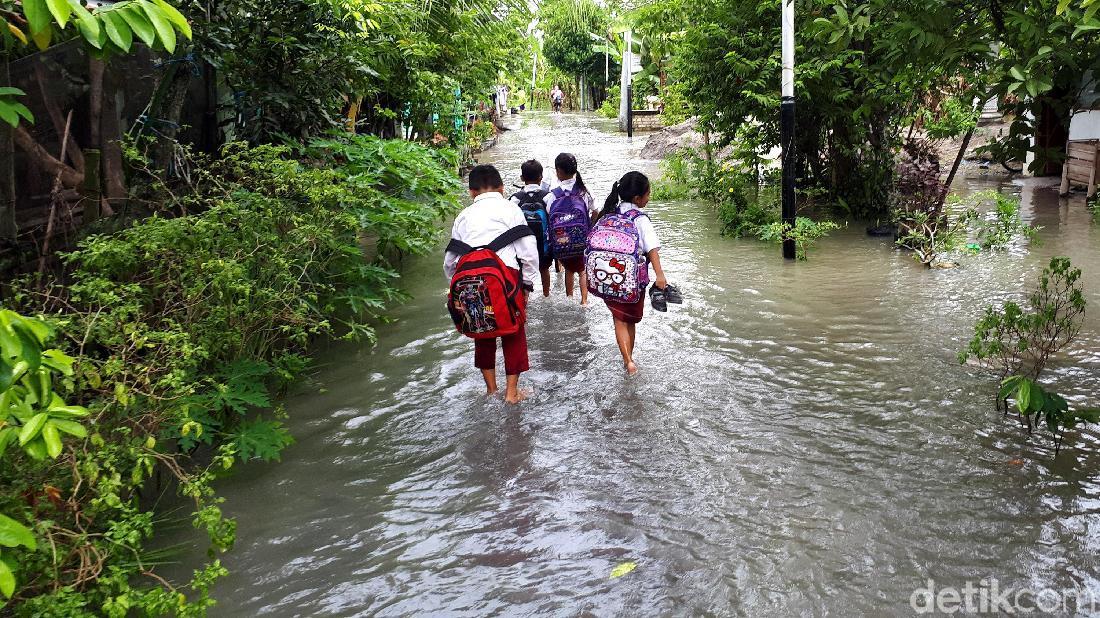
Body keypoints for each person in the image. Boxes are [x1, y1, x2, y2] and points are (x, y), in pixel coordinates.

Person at [444, 165, 539, 403]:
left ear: (471, 192)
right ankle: (511, 393)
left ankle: (491, 390)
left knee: (482, 332)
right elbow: (528, 251)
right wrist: (527, 284)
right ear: (502, 188)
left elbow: (450, 261)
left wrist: (457, 287)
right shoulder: (511, 209)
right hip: (505, 278)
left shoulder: (463, 217)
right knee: (514, 332)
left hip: (470, 281)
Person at [596, 171, 669, 375]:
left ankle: (627, 361)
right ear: (637, 198)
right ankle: (630, 358)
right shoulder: (640, 219)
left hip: (609, 279)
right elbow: (652, 249)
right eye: (647, 194)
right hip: (633, 281)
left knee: (619, 320)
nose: (649, 198)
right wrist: (660, 276)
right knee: (630, 319)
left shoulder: (609, 213)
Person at [545, 152, 597, 306]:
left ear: (558, 171)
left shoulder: (553, 195)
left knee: (569, 269)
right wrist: (590, 227)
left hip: (562, 241)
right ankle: (584, 301)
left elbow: (549, 214)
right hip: (582, 240)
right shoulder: (584, 191)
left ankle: (569, 297)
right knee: (582, 270)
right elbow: (596, 210)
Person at [510, 159, 552, 297]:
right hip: (544, 246)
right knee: (544, 269)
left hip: (522, 247)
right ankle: (546, 295)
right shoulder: (548, 197)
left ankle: (525, 299)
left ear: (522, 178)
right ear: (541, 177)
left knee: (523, 272)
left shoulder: (515, 199)